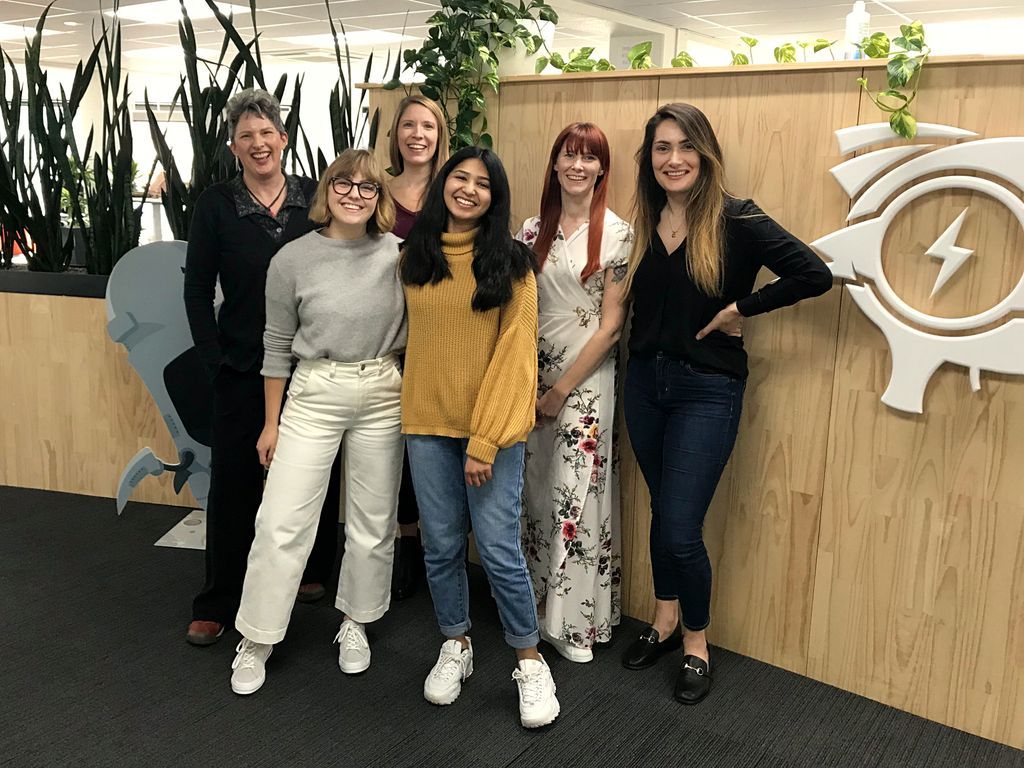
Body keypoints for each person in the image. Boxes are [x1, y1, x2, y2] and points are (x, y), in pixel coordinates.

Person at [619, 103, 832, 704]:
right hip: (644, 385)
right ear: (650, 158)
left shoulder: (738, 218)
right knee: (663, 509)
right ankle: (661, 620)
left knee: (682, 528)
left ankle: (695, 642)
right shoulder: (643, 222)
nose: (674, 159)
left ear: (705, 153)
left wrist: (744, 309)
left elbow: (813, 274)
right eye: (662, 148)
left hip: (706, 390)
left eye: (685, 147)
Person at [229, 149, 406, 695]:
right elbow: (277, 345)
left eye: (368, 188)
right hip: (313, 391)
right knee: (281, 519)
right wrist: (270, 423)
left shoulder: (401, 255)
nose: (355, 195)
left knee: (373, 522)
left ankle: (356, 621)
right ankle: (256, 637)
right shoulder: (291, 260)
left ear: (380, 199)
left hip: (382, 390)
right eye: (344, 185)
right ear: (327, 191)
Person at [399, 147, 560, 728]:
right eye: (460, 178)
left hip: (487, 435)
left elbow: (516, 359)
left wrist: (484, 440)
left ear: (496, 198)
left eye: (483, 184)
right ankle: (456, 644)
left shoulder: (513, 264)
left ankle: (528, 658)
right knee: (440, 546)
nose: (468, 189)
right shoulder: (414, 257)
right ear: (443, 183)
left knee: (496, 549)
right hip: (425, 427)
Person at [182, 88, 340, 646]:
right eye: (246, 135)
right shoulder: (215, 206)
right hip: (243, 366)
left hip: (312, 365)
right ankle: (218, 599)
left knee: (317, 473)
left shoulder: (313, 200)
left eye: (266, 132)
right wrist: (213, 360)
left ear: (284, 138)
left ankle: (314, 571)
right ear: (233, 146)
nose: (258, 143)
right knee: (235, 484)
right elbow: (198, 289)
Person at [515, 123, 632, 664]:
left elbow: (610, 328)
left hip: (584, 380)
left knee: (576, 495)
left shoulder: (619, 235)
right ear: (555, 163)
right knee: (536, 491)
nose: (578, 166)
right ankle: (532, 612)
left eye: (589, 158)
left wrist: (561, 390)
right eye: (569, 155)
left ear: (603, 168)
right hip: (530, 374)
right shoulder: (531, 229)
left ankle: (573, 623)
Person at [384, 95, 449, 600]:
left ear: (439, 134)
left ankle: (441, 550)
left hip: (436, 338)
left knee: (434, 440)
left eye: (428, 125)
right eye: (409, 124)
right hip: (384, 338)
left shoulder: (452, 191)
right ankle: (405, 544)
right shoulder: (377, 191)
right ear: (396, 133)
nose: (418, 134)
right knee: (395, 449)